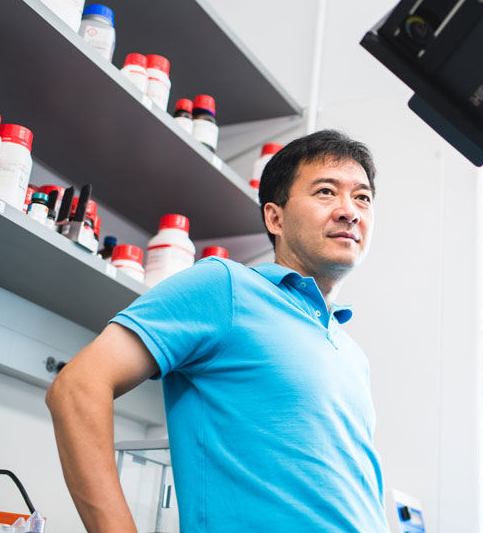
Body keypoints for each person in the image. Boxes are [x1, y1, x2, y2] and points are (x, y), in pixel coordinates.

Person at [46, 130, 389, 533]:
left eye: (362, 197)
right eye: (327, 192)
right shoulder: (225, 287)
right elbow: (76, 389)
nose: (350, 211)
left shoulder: (351, 352)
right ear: (274, 217)